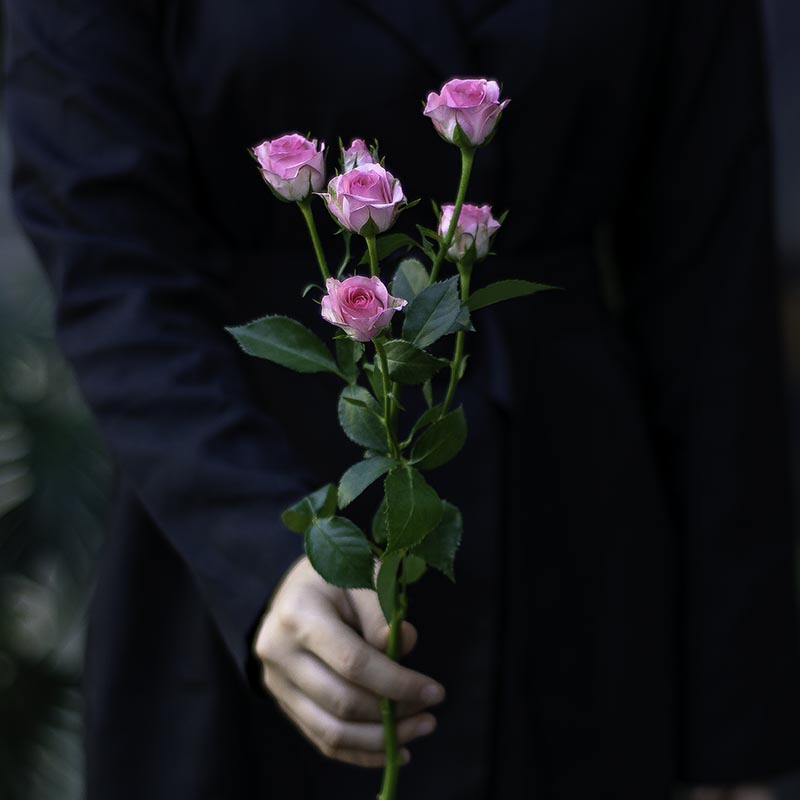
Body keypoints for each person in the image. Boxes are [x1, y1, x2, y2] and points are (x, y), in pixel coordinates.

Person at [4, 1, 800, 798]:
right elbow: (111, 263)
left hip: (574, 566)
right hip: (234, 540)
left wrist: (734, 738)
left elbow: (712, 296)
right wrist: (259, 557)